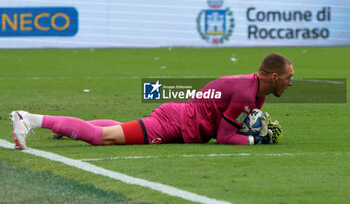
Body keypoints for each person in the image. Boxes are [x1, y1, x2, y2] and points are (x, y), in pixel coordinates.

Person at [10, 53, 293, 150]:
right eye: (288, 77)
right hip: (175, 124)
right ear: (274, 76)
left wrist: (254, 130)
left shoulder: (255, 92)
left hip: (180, 119)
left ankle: (63, 128)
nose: (290, 82)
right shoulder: (247, 93)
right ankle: (30, 118)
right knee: (103, 138)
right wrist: (259, 141)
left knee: (122, 128)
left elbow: (235, 125)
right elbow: (224, 137)